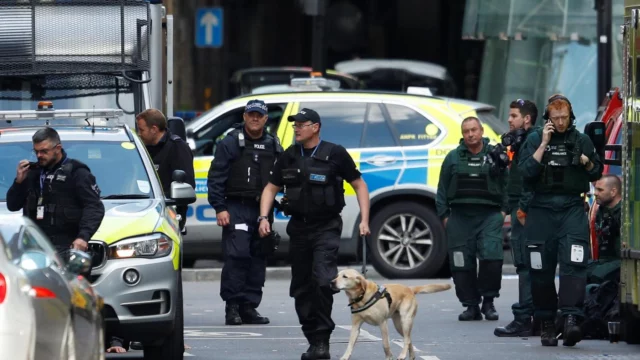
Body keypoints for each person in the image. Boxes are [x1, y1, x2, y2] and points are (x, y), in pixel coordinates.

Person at [257, 108, 370, 360]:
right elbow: (270, 188)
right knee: (301, 287)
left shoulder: (335, 153)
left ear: (315, 127)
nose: (296, 128)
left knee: (323, 280)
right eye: (294, 124)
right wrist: (264, 218)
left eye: (301, 124)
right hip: (298, 228)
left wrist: (364, 220)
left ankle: (322, 341)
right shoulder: (289, 155)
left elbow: (359, 185)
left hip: (326, 227)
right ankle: (312, 337)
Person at [518, 94, 603, 347]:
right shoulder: (535, 139)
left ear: (571, 116)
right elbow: (525, 173)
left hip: (571, 209)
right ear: (548, 119)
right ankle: (546, 321)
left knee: (574, 264)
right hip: (541, 210)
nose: (561, 122)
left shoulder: (582, 140)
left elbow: (598, 172)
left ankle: (570, 320)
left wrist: (586, 161)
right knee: (540, 268)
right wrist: (544, 144)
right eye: (556, 118)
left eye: (564, 117)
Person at [207, 99, 282, 326]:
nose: (255, 118)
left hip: (263, 209)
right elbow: (216, 176)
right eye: (251, 115)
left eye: (259, 115)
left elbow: (281, 176)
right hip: (236, 206)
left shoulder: (273, 144)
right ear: (245, 117)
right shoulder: (231, 143)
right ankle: (233, 307)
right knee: (237, 256)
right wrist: (220, 207)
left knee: (259, 257)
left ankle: (249, 307)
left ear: (266, 119)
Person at [436, 116, 508, 322]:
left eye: (474, 130)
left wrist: (503, 212)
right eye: (466, 131)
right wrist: (445, 218)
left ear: (482, 131)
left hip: (489, 216)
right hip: (459, 217)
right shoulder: (452, 158)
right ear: (462, 133)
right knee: (461, 263)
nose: (470, 134)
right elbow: (441, 191)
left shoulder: (495, 155)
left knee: (492, 258)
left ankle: (488, 302)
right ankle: (470, 306)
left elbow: (507, 185)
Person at [6, 127, 105, 253]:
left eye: (44, 151)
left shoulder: (77, 172)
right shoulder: (32, 173)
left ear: (58, 148)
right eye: (36, 151)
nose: (39, 155)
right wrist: (19, 182)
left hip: (67, 246)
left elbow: (94, 207)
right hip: (35, 247)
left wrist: (83, 237)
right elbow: (12, 206)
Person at [494, 99, 538, 337]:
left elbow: (531, 179)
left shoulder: (531, 140)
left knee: (525, 264)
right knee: (530, 265)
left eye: (513, 116)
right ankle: (538, 318)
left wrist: (521, 209)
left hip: (526, 213)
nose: (509, 120)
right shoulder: (522, 142)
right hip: (521, 209)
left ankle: (524, 319)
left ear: (526, 118)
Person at [136, 108, 195, 231]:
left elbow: (187, 185)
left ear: (154, 129)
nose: (139, 134)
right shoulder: (141, 148)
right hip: (141, 212)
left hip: (169, 213)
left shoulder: (177, 148)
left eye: (142, 130)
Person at [587, 174, 622, 285]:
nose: (595, 193)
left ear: (613, 192)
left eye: (600, 190)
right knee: (575, 272)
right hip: (602, 260)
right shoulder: (600, 211)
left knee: (596, 275)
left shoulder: (624, 212)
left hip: (621, 261)